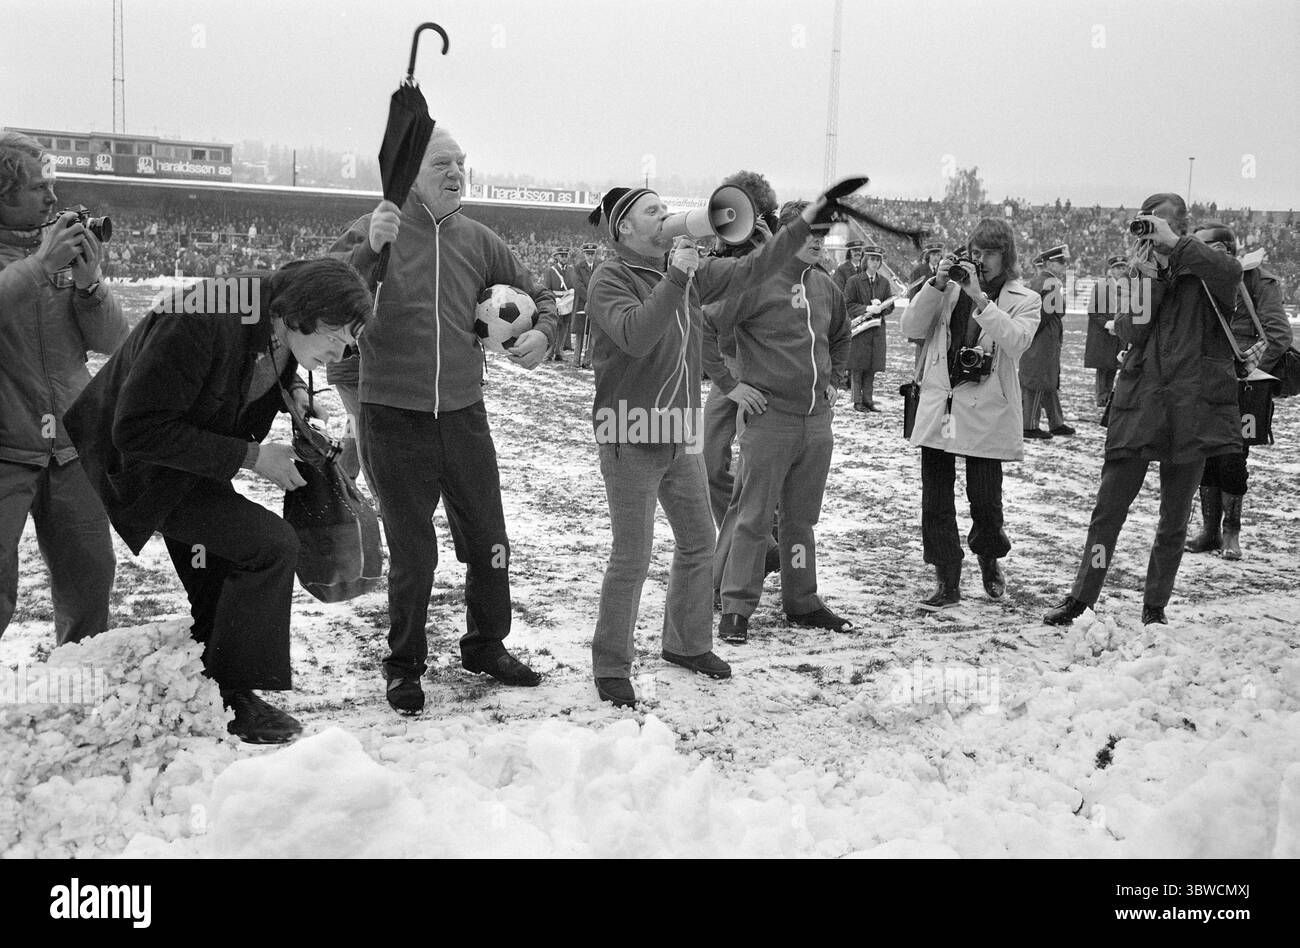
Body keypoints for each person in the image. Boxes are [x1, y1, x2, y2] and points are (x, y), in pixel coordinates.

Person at [65, 258, 372, 743]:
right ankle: (237, 694)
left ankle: (222, 690)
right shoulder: (200, 319)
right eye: (338, 333)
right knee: (269, 545)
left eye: (351, 337)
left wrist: (292, 390)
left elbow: (272, 359)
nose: (346, 348)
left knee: (221, 568)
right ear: (299, 312)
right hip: (142, 465)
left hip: (192, 454)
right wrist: (252, 456)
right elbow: (135, 430)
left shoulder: (277, 317)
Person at [330, 128, 558, 713]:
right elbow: (322, 297)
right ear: (411, 174)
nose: (457, 172)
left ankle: (486, 645)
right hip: (391, 416)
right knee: (415, 554)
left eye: (462, 163)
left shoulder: (480, 240)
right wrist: (367, 252)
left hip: (463, 414)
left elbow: (543, 296)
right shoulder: (376, 227)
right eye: (442, 163)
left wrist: (542, 331)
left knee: (489, 542)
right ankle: (404, 664)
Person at [584, 183, 828, 707]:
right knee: (632, 554)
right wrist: (677, 276)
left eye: (664, 209)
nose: (664, 217)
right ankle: (611, 664)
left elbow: (748, 274)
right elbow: (635, 335)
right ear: (624, 227)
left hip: (679, 432)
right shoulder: (611, 276)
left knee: (697, 541)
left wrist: (780, 238)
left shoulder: (686, 274)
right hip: (628, 430)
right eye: (652, 212)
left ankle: (688, 644)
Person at [1044, 194, 1244, 627]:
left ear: (1182, 226)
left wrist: (1178, 246)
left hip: (1191, 409)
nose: (1153, 231)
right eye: (1147, 223)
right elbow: (1132, 332)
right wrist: (1148, 277)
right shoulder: (1141, 271)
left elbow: (1232, 273)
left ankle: (1155, 606)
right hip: (1141, 402)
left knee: (1173, 518)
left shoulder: (1209, 267)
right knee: (1108, 511)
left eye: (1162, 223)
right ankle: (1082, 597)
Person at [0, 131, 128, 646]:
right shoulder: (40, 260)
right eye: (38, 188)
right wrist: (39, 267)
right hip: (6, 448)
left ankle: (73, 690)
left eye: (54, 186)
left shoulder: (58, 250)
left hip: (70, 444)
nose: (54, 199)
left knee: (90, 581)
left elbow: (116, 343)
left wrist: (89, 284)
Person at [710, 200, 852, 644]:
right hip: (771, 421)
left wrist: (838, 380)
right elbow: (704, 327)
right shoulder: (755, 283)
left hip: (816, 424)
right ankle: (736, 607)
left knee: (800, 521)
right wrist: (731, 385)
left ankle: (802, 600)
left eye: (821, 235)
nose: (815, 243)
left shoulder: (825, 287)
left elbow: (843, 334)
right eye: (807, 233)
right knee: (753, 518)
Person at [898, 219, 1041, 608]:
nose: (980, 261)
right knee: (936, 499)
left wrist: (981, 300)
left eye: (990, 254)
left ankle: (989, 556)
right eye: (976, 253)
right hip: (944, 402)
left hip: (987, 409)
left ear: (1006, 257)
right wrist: (937, 284)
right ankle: (947, 577)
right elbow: (910, 327)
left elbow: (1016, 342)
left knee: (985, 499)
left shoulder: (1024, 297)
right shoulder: (947, 290)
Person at [1184, 222, 1292, 560]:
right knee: (1204, 455)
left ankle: (1232, 531)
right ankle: (1209, 531)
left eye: (1201, 245)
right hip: (1203, 378)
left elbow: (1276, 335)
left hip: (1241, 385)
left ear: (1222, 249)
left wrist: (1246, 370)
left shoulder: (1258, 279)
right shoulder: (1198, 278)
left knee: (1232, 458)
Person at [1021, 244, 1075, 438]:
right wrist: (1032, 334)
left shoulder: (1041, 280)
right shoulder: (1051, 283)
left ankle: (1056, 422)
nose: (1063, 266)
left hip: (1042, 337)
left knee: (1047, 381)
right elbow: (1047, 313)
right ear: (1049, 263)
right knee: (1039, 380)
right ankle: (1029, 425)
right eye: (1060, 262)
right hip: (1042, 339)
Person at [843, 244, 894, 412]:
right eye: (872, 259)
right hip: (860, 330)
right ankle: (857, 401)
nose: (875, 263)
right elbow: (848, 304)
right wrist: (866, 308)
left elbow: (890, 305)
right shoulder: (854, 281)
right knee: (858, 367)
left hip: (876, 330)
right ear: (866, 260)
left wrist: (882, 307)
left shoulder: (884, 282)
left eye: (878, 259)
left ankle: (868, 400)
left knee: (872, 367)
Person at [1085, 254, 1128, 414]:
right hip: (1104, 334)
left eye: (1123, 267)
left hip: (1120, 332)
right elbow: (1092, 310)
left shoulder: (1128, 286)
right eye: (1117, 268)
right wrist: (1106, 323)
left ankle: (1109, 395)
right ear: (1111, 270)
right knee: (1104, 367)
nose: (1121, 270)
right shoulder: (1101, 286)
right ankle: (1102, 397)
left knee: (1115, 365)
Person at [570, 241, 599, 368]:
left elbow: (602, 282)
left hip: (595, 304)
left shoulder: (600, 267)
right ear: (584, 254)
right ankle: (576, 360)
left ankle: (587, 361)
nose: (590, 256)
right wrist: (589, 297)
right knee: (580, 333)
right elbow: (577, 285)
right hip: (582, 303)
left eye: (592, 254)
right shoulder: (578, 267)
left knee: (592, 332)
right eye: (588, 254)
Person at [544, 247, 574, 362]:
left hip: (567, 302)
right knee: (554, 328)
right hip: (555, 302)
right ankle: (549, 353)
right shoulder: (551, 270)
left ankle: (559, 352)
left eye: (566, 256)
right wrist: (555, 298)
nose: (564, 258)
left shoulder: (571, 270)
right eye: (562, 256)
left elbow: (573, 284)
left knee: (564, 327)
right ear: (557, 257)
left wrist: (572, 290)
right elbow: (547, 288)